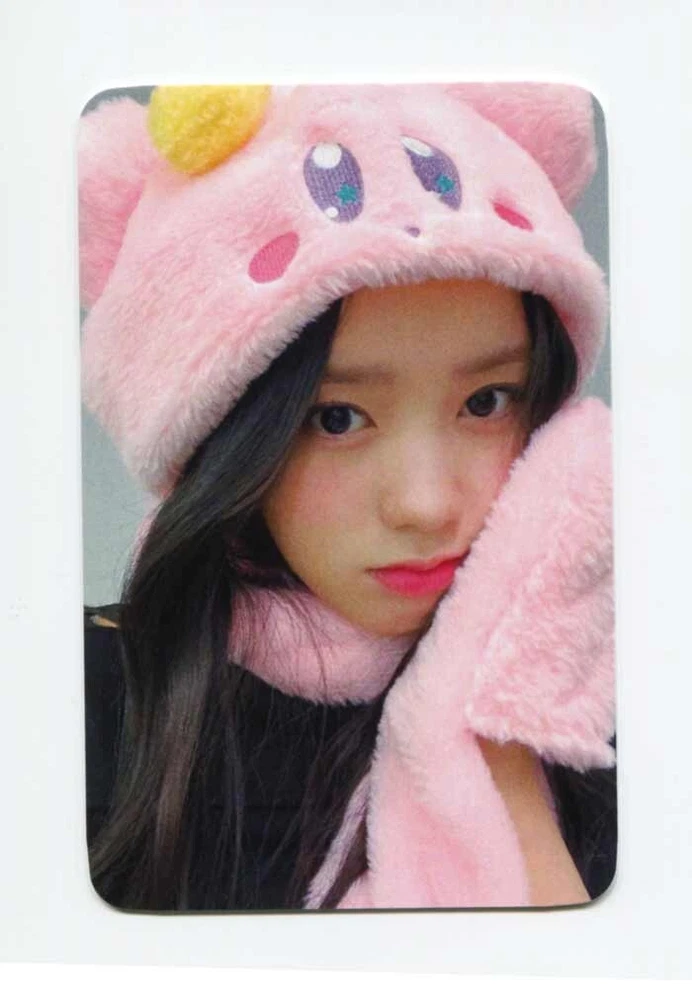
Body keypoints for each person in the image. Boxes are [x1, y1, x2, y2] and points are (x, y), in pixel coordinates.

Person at [79, 82, 616, 912]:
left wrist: (501, 729)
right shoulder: (80, 701)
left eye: (487, 402)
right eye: (336, 418)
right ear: (221, 439)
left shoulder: (618, 686)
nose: (426, 505)